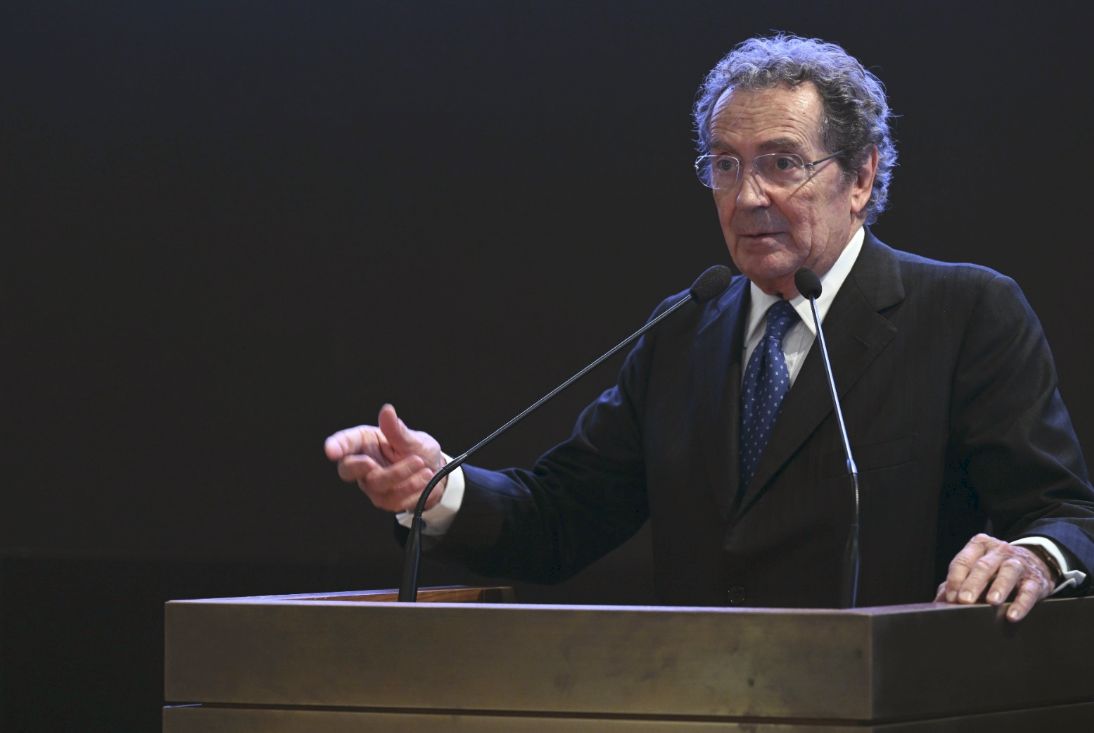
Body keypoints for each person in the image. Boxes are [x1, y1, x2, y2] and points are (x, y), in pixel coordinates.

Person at [325, 34, 1094, 620]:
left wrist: (1034, 555)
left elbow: (1063, 512)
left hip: (891, 702)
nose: (748, 195)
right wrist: (437, 487)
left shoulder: (964, 312)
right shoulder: (683, 330)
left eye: (782, 163)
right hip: (704, 700)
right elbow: (561, 517)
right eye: (725, 165)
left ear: (860, 176)